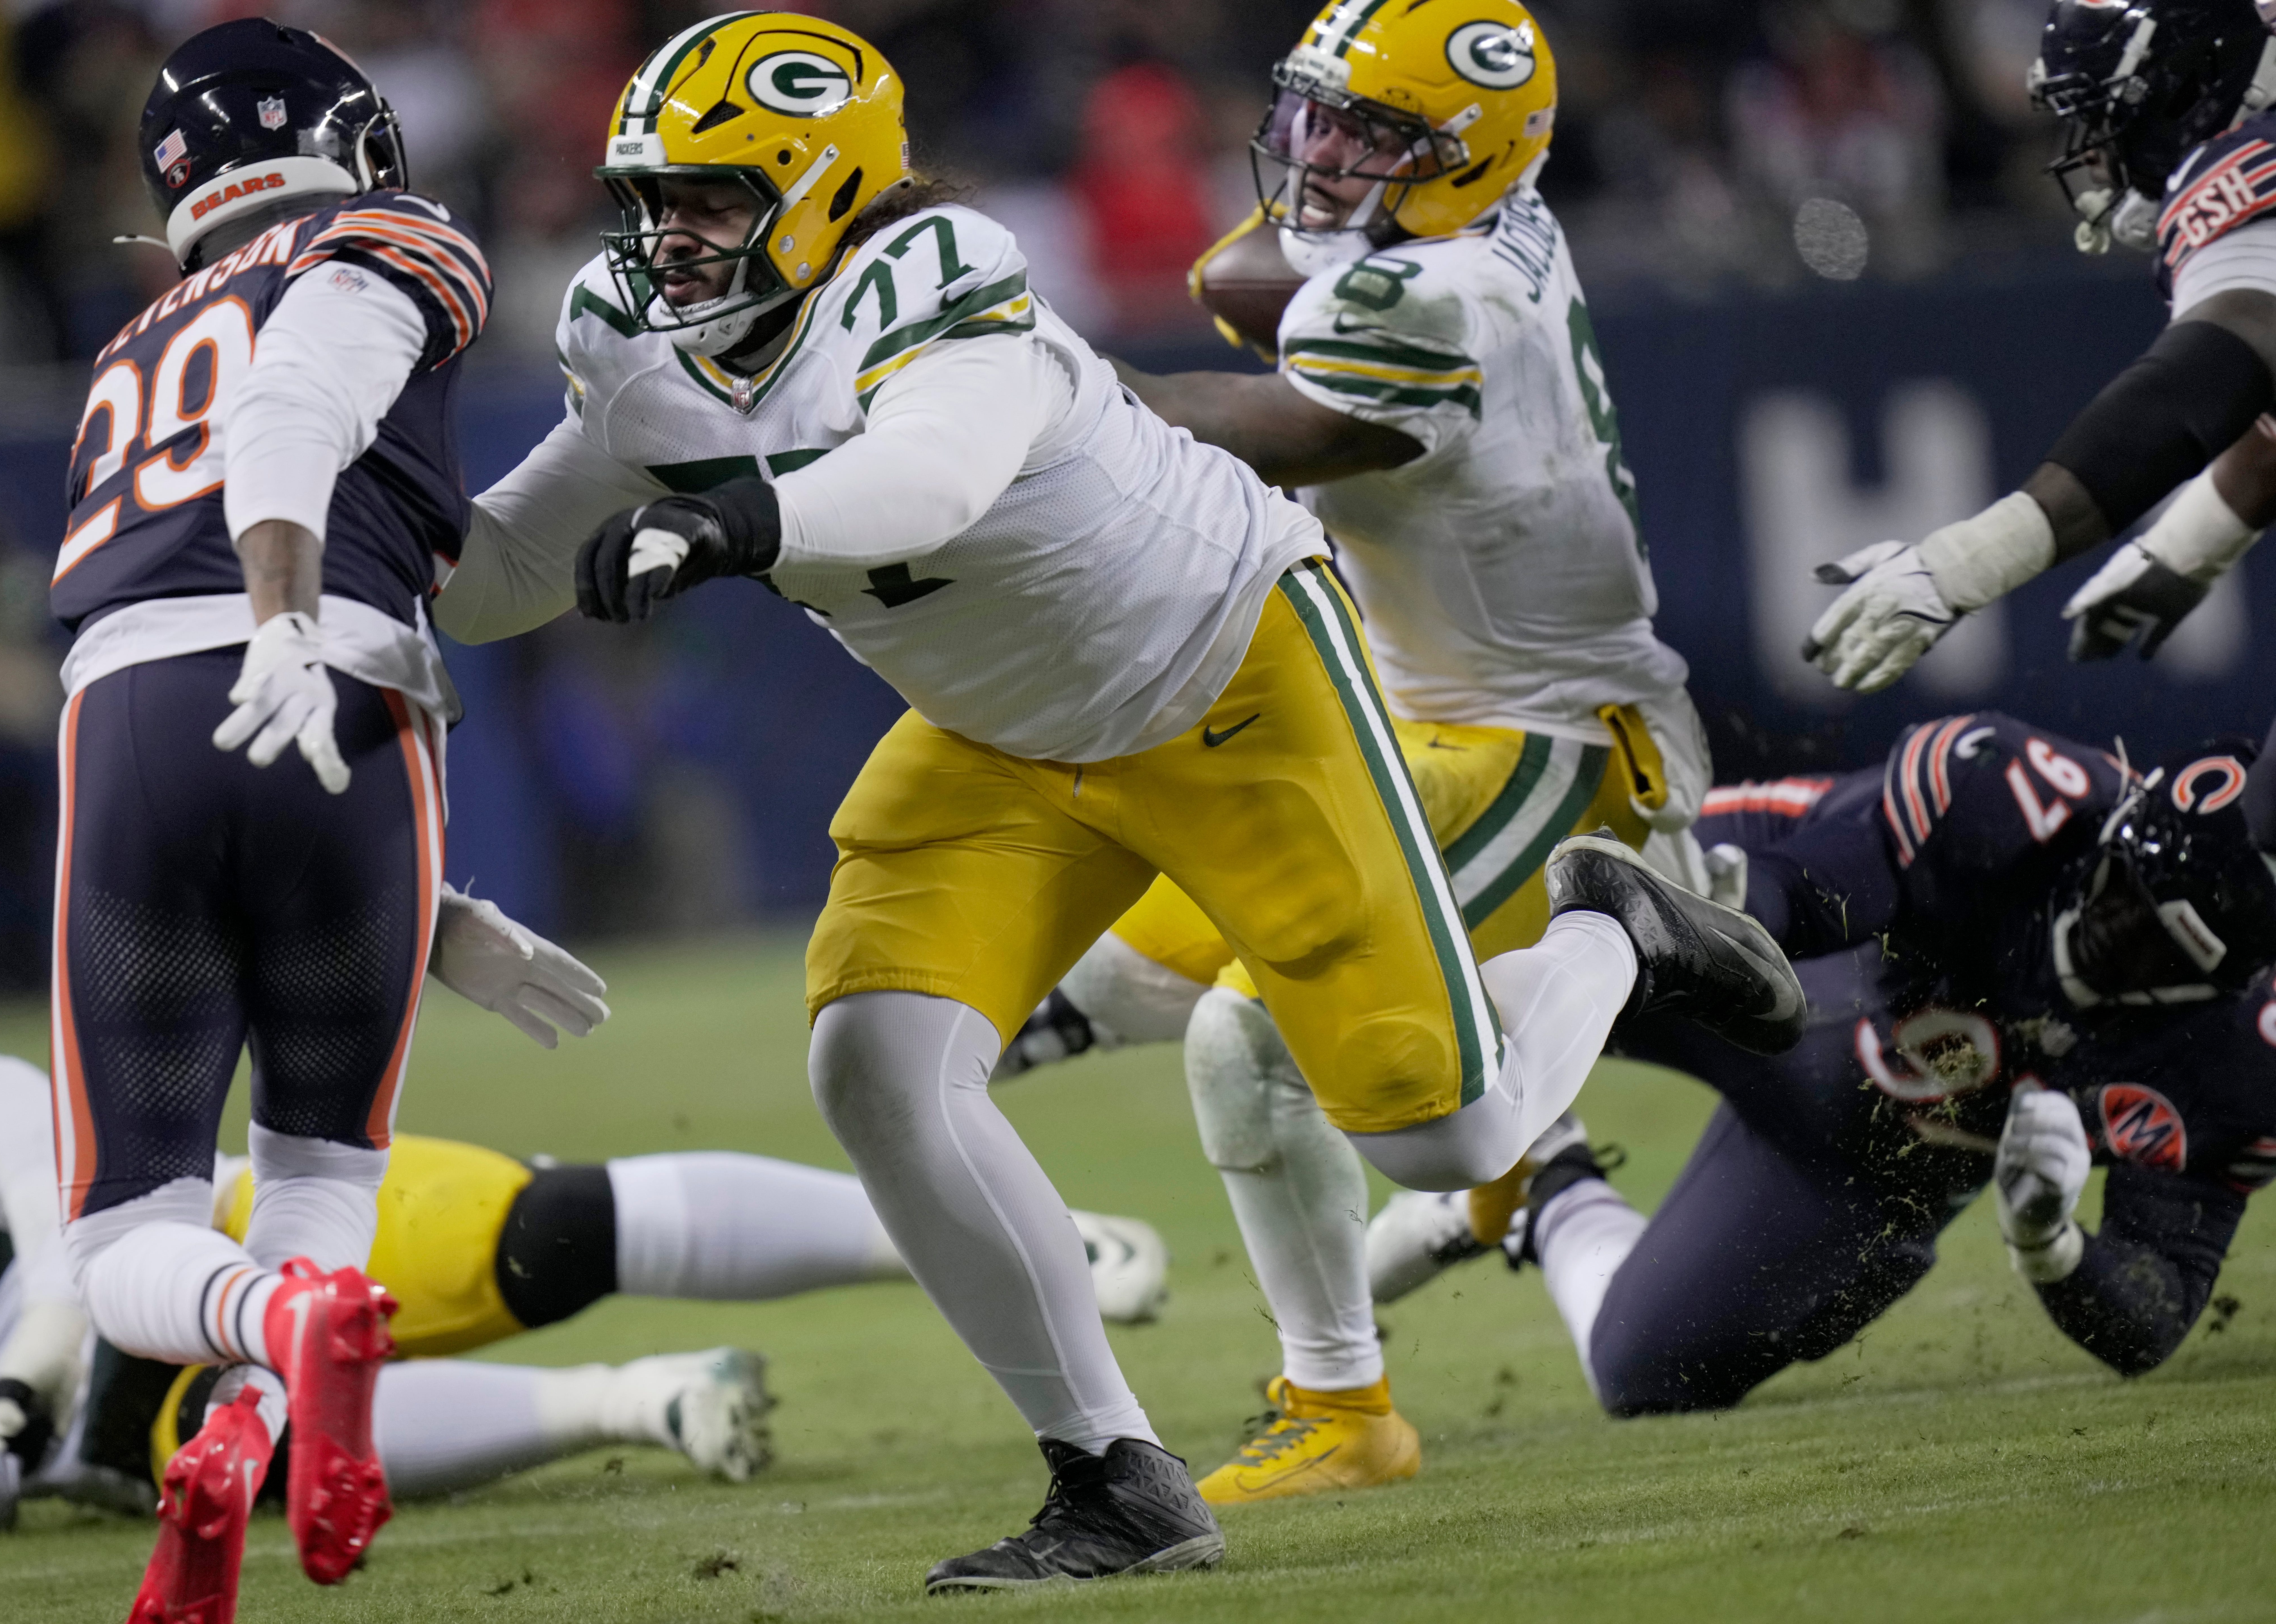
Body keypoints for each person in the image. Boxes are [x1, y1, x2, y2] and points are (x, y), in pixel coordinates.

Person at [433, 9, 1804, 1591]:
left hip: (1222, 671)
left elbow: (930, 480)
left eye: (711, 199)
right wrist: (361, 544)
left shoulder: (936, 268)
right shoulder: (633, 335)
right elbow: (504, 571)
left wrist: (736, 520)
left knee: (1449, 1135)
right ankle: (1115, 1476)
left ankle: (1619, 931)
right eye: (652, 201)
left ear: (826, 190)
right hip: (1000, 731)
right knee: (877, 1062)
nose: (670, 237)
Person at [996, 0, 1721, 1506]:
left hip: (1553, 744)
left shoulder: (1437, 296)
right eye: (1317, 114)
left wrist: (1007, 380)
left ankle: (1343, 1406)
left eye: (1372, 133)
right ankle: (1513, 1158)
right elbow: (1250, 280)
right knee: (1086, 987)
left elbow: (1232, 423)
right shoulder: (1467, 235)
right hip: (1409, 724)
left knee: (1250, 1040)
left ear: (1472, 157)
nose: (1320, 152)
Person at [49, 21, 547, 1618]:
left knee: (128, 1238)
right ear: (352, 139)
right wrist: (281, 622)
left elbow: (247, 429)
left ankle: (245, 1412)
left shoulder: (134, 345)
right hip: (338, 684)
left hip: (135, 717)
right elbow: (288, 411)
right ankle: (280, 1355)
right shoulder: (389, 234)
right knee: (324, 1176)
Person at [0, 982, 1166, 1541]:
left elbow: (24, 1132)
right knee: (275, 1451)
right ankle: (634, 1399)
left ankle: (966, 1243)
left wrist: (34, 1344)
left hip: (195, 1235)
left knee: (544, 1234)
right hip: (107, 1423)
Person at [1369, 717, 2276, 1412]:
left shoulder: (2241, 1059)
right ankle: (1347, 1334)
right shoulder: (2010, 798)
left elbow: (2155, 1310)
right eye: (2119, 884)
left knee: (1641, 1369)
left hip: (1877, 1149)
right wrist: (1665, 930)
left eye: (2156, 941)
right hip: (1780, 948)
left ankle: (1550, 1186)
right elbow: (1800, 894)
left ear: (2229, 978)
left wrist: (2052, 1244)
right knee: (1443, 929)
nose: (2109, 924)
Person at [1804, 0, 2276, 845]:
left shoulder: (2246, 163)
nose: (2092, 153)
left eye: (2109, 116)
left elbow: (2208, 378)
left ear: (2193, 88)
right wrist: (2194, 542)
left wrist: (1966, 563)